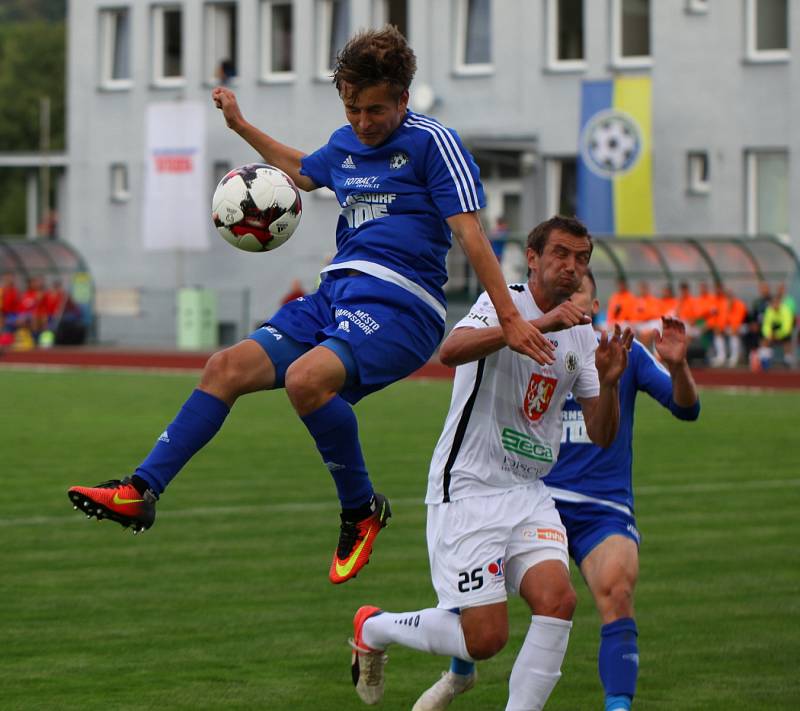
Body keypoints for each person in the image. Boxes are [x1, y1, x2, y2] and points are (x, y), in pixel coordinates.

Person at [67, 26, 552, 585]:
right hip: (335, 295)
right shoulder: (346, 143)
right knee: (223, 368)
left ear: (403, 99)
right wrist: (241, 126)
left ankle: (360, 510)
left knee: (305, 381)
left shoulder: (432, 143)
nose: (363, 123)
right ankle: (141, 491)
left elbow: (470, 234)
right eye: (352, 109)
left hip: (402, 306)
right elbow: (303, 170)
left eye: (375, 110)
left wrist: (510, 318)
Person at [348, 217, 633, 710]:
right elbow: (450, 350)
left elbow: (603, 433)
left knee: (559, 602)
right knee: (486, 639)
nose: (571, 266)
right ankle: (373, 626)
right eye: (561, 254)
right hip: (469, 488)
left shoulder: (583, 336)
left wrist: (608, 384)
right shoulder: (505, 301)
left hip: (529, 492)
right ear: (534, 256)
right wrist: (532, 326)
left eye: (581, 258)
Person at [423, 277, 700, 711]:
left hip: (599, 507)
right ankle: (459, 674)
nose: (569, 301)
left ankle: (618, 707)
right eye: (562, 295)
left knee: (617, 592)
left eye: (578, 294)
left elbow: (688, 409)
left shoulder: (621, 353)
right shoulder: (533, 342)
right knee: (480, 596)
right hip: (532, 492)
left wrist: (679, 366)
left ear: (595, 302)